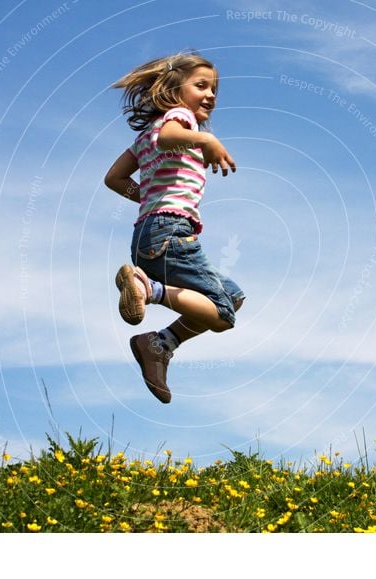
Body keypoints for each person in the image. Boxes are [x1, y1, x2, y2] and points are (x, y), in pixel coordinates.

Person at [104, 52, 244, 404]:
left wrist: (148, 199)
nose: (210, 95)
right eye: (201, 86)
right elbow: (169, 136)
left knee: (233, 297)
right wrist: (207, 141)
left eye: (214, 89)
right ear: (172, 89)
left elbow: (114, 178)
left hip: (148, 234)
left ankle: (159, 344)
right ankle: (147, 289)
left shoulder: (142, 137)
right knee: (223, 314)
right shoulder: (178, 119)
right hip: (170, 232)